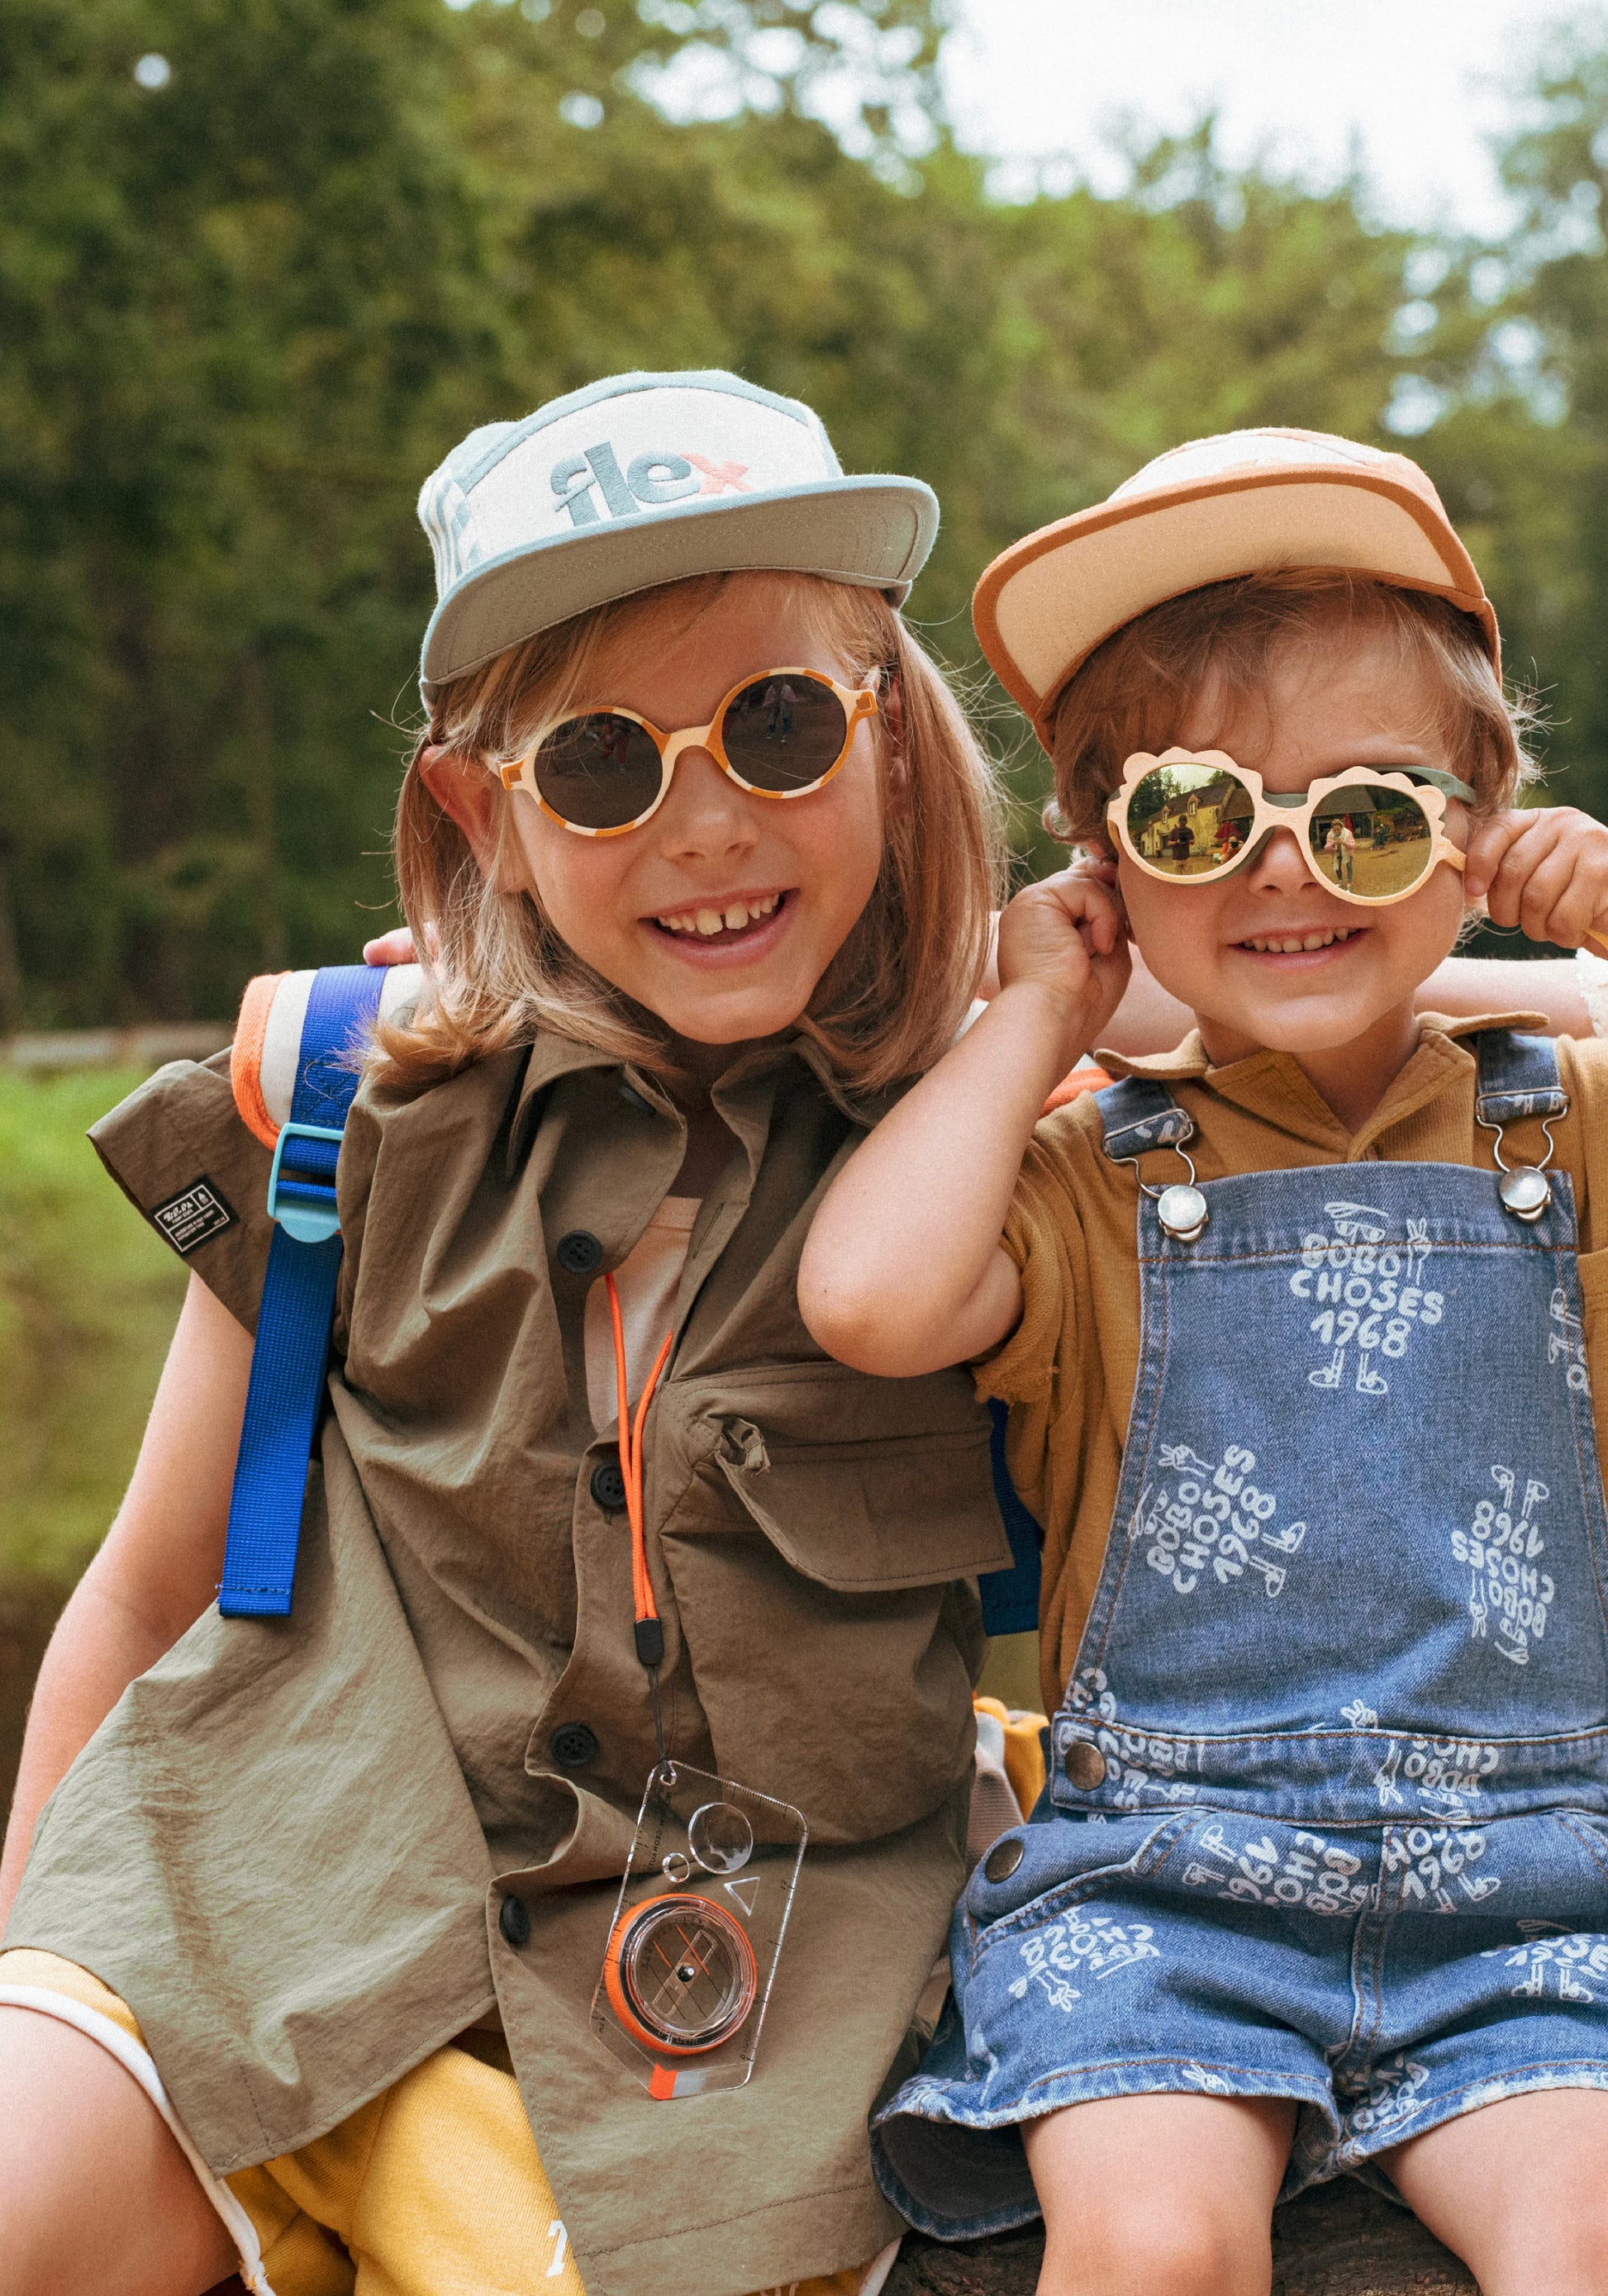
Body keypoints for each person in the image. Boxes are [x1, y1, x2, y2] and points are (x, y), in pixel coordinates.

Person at [0, 370, 1018, 2296]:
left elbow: (1333, 1003)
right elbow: (142, 1590)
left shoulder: (985, 1145)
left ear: (889, 738)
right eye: (604, 766)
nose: (706, 825)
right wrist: (27, 1961)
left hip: (763, 2012)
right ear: (489, 812)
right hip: (263, 1895)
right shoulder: (346, 1108)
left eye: (780, 725)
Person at [798, 428, 1608, 2296]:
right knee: (1153, 2243)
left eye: (1365, 814)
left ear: (1476, 834)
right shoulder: (1089, 1176)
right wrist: (1037, 1014)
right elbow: (869, 1302)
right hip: (1171, 1888)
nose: (1283, 869)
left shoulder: (1560, 1122)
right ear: (1106, 866)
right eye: (1193, 819)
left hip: (1537, 1885)